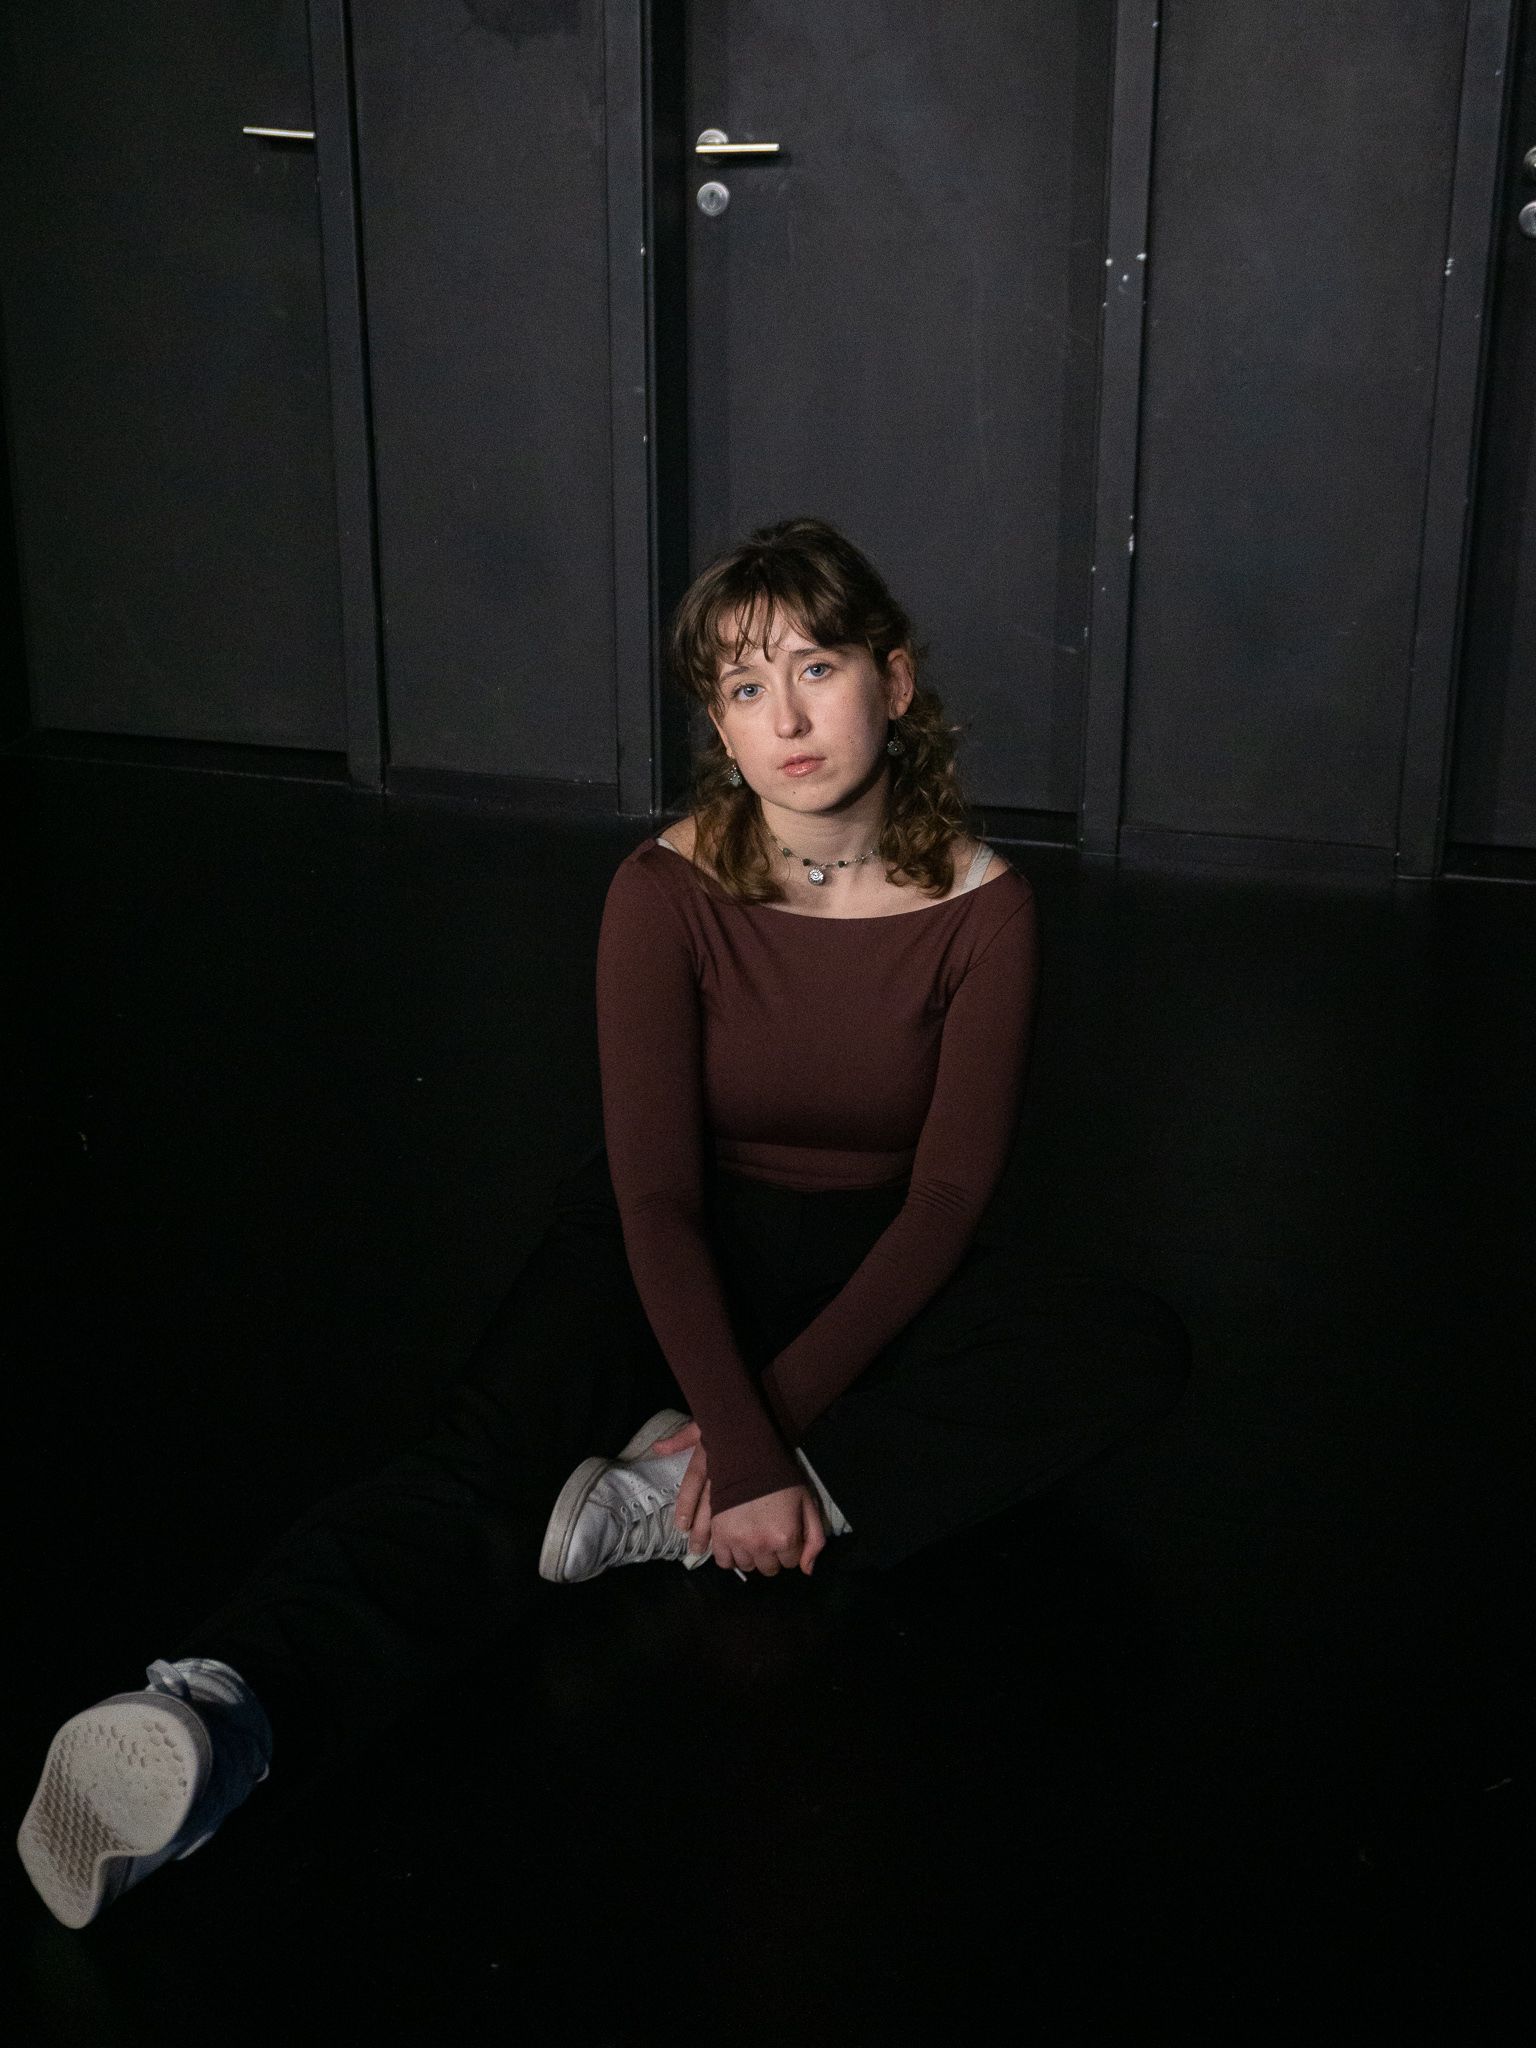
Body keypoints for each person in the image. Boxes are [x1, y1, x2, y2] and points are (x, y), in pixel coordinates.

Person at [17, 515, 1191, 1930]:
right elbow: (655, 1193)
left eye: (816, 668)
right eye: (744, 687)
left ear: (893, 679)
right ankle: (222, 1712)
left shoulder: (985, 909)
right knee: (489, 1462)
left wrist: (763, 1436)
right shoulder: (662, 889)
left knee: (1122, 1348)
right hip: (665, 1247)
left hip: (869, 1257)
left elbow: (943, 1201)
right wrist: (744, 1440)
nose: (786, 719)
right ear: (720, 724)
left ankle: (669, 1505)